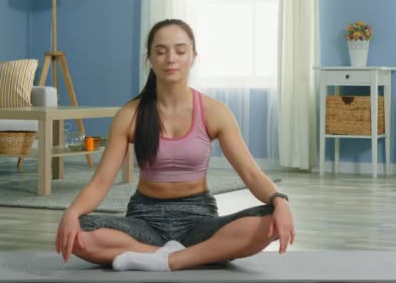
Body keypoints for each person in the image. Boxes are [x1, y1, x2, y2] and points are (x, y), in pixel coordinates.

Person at [55, 19, 294, 272]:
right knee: (78, 232)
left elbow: (251, 174)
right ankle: (196, 256)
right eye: (161, 51)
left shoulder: (214, 111)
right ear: (150, 58)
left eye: (180, 51)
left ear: (193, 57)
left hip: (198, 220)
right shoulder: (130, 114)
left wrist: (280, 201)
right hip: (145, 222)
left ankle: (167, 260)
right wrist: (72, 212)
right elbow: (101, 182)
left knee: (269, 221)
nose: (171, 59)